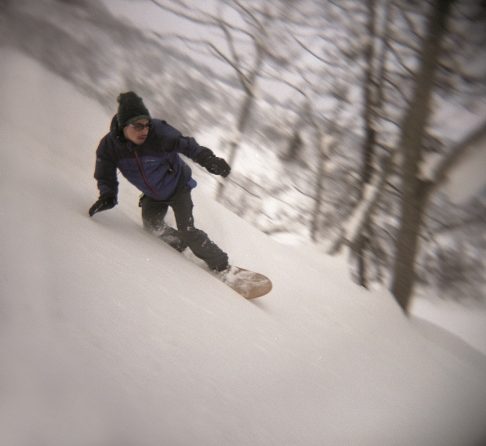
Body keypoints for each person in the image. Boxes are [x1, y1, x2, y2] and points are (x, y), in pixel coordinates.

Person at [89, 91, 231, 272]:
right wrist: (107, 195)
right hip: (152, 194)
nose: (144, 130)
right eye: (138, 126)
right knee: (152, 226)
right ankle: (179, 245)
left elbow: (187, 145)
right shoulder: (109, 147)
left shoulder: (159, 133)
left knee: (187, 229)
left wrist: (209, 159)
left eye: (146, 125)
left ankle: (222, 266)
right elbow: (105, 173)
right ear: (123, 125)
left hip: (178, 187)